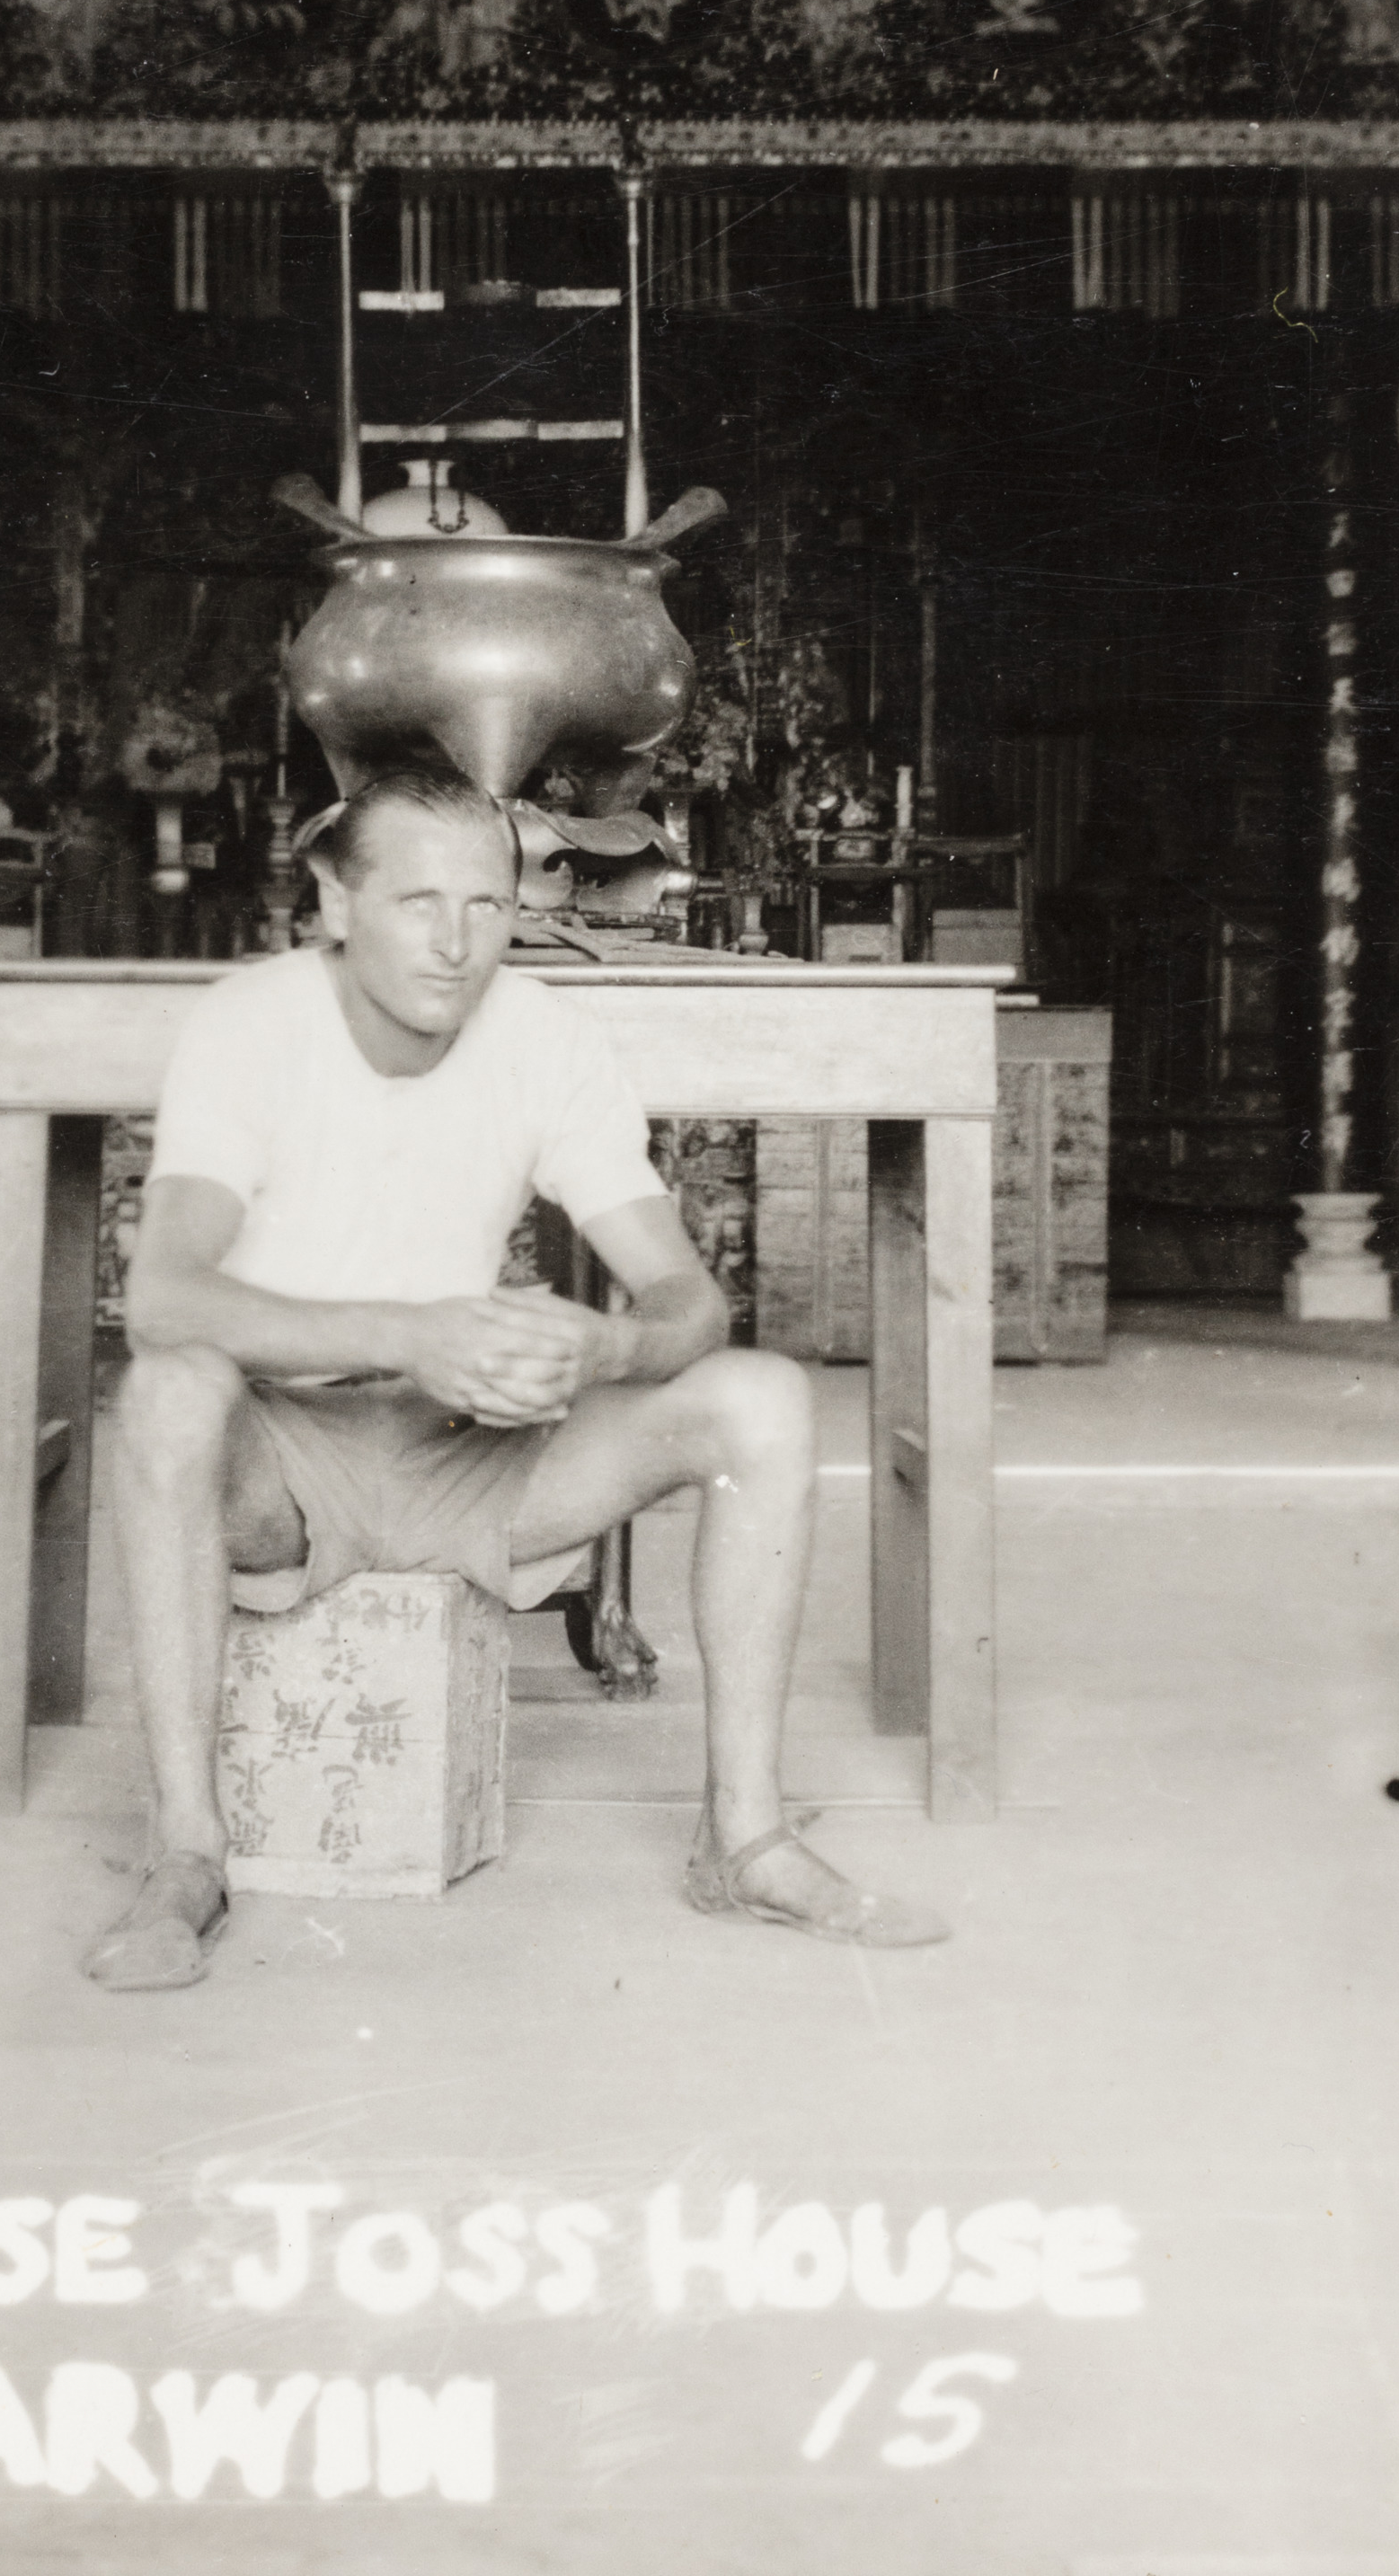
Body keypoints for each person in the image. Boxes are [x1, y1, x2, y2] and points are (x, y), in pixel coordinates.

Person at [85, 752, 951, 1989]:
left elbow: (685, 1299)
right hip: (282, 1459)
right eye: (417, 903)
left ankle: (744, 1836)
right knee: (169, 1390)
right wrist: (410, 1332)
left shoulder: (546, 1036)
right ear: (336, 902)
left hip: (469, 1455)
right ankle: (183, 1856)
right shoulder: (252, 1024)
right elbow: (164, 1296)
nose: (456, 942)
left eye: (487, 904)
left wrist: (615, 1346)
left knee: (760, 1398)